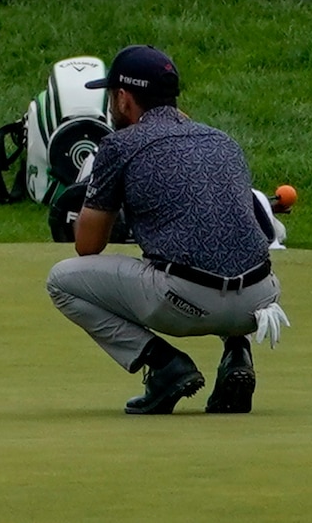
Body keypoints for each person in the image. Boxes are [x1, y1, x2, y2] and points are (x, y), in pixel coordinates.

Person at [44, 47, 282, 414]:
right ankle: (237, 355)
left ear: (124, 99)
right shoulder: (223, 141)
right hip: (260, 302)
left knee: (62, 279)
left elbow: (87, 246)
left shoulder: (117, 146)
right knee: (221, 246)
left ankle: (164, 365)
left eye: (111, 96)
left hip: (183, 302)